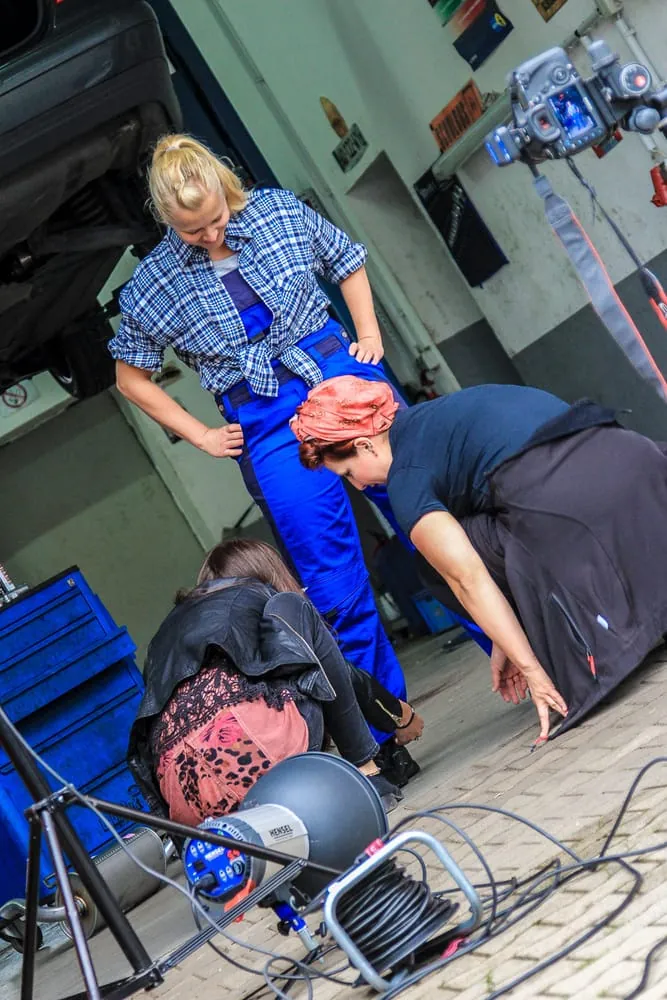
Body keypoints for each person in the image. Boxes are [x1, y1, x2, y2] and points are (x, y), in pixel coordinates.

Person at [109, 133, 415, 765]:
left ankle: (521, 650)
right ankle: (385, 735)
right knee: (333, 585)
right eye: (192, 230)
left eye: (217, 217)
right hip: (264, 417)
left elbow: (347, 258)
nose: (211, 233)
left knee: (427, 513)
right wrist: (197, 434)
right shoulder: (153, 286)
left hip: (338, 371)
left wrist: (368, 334)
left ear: (226, 188)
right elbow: (129, 377)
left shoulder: (274, 210)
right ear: (168, 220)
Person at [291, 375, 667, 743]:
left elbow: (467, 577)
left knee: (435, 566)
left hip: (572, 505)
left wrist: (532, 670)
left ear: (365, 445)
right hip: (637, 461)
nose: (359, 485)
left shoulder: (406, 481)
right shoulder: (448, 412)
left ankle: (582, 652)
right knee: (473, 530)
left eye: (349, 473)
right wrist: (501, 635)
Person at [127, 539, 424, 825]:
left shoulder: (165, 638)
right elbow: (332, 671)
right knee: (297, 617)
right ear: (267, 571)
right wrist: (400, 715)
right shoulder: (274, 603)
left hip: (189, 804)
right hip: (255, 758)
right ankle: (367, 774)